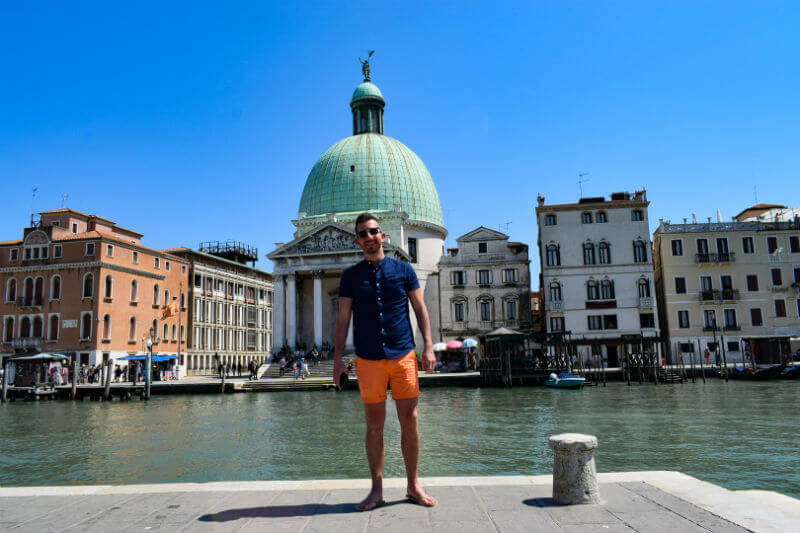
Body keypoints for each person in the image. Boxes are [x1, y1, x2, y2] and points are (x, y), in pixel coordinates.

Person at [334, 213, 437, 511]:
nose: (369, 237)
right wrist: (338, 361)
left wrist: (428, 347)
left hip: (403, 353)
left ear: (383, 236)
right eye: (363, 234)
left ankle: (413, 486)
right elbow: (342, 321)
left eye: (373, 231)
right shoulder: (350, 276)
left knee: (411, 421)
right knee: (374, 426)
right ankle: (376, 490)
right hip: (368, 359)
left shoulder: (404, 269)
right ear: (358, 241)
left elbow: (420, 309)